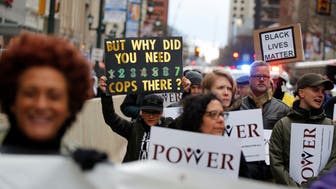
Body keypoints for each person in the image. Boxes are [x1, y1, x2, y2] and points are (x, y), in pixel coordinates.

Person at [0, 32, 107, 170]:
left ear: (70, 106)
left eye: (54, 96)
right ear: (12, 99)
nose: (41, 105)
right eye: (30, 94)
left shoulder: (84, 170)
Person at [269, 73, 336, 187]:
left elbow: (334, 161)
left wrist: (317, 185)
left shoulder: (331, 126)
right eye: (315, 90)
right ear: (301, 93)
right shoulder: (283, 125)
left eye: (322, 91)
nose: (321, 95)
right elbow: (276, 163)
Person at [98, 76, 174, 162]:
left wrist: (188, 92)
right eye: (147, 112)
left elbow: (188, 120)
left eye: (155, 112)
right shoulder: (133, 128)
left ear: (161, 113)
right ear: (141, 112)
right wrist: (105, 95)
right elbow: (111, 118)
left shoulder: (169, 126)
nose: (151, 116)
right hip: (133, 174)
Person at [240, 60, 290, 181]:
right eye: (257, 76)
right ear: (250, 79)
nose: (261, 79)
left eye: (265, 76)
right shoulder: (238, 106)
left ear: (270, 80)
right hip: (245, 173)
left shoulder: (282, 109)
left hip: (271, 174)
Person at [180, 93, 250, 178]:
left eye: (222, 114)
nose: (221, 120)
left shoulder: (233, 152)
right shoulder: (179, 154)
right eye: (213, 114)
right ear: (196, 118)